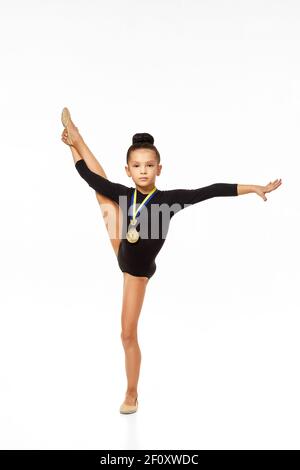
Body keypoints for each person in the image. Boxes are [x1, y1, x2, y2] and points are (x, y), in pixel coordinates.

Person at [60, 107, 282, 414]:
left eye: (149, 165)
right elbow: (86, 175)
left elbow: (211, 190)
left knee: (126, 333)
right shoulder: (125, 193)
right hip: (122, 243)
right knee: (101, 192)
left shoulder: (169, 200)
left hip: (136, 270)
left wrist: (252, 187)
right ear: (127, 169)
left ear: (159, 169)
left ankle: (131, 393)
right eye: (136, 165)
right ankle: (76, 136)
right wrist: (71, 147)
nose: (143, 170)